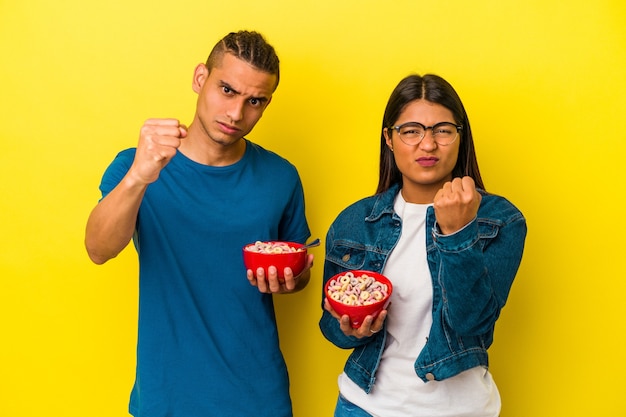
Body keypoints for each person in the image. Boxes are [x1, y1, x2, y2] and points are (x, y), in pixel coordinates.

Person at [85, 30, 313, 417]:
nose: (237, 113)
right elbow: (98, 249)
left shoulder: (281, 176)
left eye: (255, 101)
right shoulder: (136, 165)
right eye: (227, 90)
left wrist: (292, 279)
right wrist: (139, 176)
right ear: (199, 79)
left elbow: (301, 266)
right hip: (167, 396)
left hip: (259, 397)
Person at [319, 74, 527, 417]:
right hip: (363, 407)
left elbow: (470, 322)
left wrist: (456, 233)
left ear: (460, 137)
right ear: (389, 138)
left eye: (442, 130)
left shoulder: (499, 220)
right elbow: (332, 328)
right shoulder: (355, 222)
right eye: (411, 130)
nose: (427, 145)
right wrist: (351, 329)